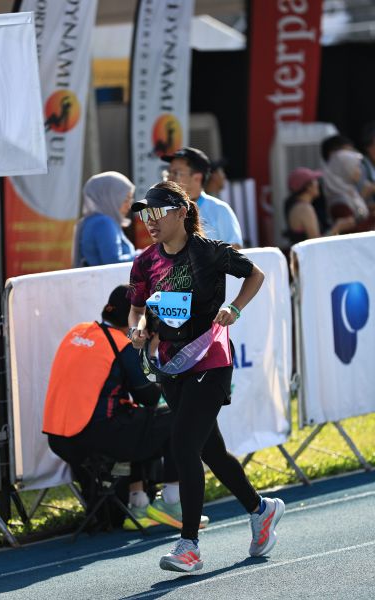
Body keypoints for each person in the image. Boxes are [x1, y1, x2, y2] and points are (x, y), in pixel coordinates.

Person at [127, 180, 285, 573]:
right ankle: (261, 509)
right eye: (145, 215)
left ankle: (189, 546)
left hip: (210, 361)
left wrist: (235, 307)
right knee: (209, 451)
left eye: (157, 212)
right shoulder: (145, 262)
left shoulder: (210, 252)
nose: (150, 221)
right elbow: (138, 309)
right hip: (172, 366)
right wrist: (138, 328)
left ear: (182, 212)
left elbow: (255, 275)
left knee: (183, 446)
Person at [43, 284, 190, 531]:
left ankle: (139, 502)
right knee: (176, 417)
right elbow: (150, 397)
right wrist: (152, 352)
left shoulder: (77, 332)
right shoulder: (122, 345)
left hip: (58, 439)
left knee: (136, 418)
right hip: (94, 434)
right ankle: (172, 501)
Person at [161, 146, 243, 248]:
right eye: (168, 172)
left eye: (176, 173)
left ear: (197, 178)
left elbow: (235, 249)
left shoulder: (219, 209)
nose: (169, 178)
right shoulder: (164, 211)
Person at [72, 171, 137, 267]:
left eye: (131, 200)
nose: (129, 206)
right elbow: (114, 263)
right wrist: (144, 256)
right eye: (126, 199)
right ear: (109, 198)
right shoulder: (103, 223)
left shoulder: (92, 221)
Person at [284, 167, 355, 244]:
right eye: (315, 181)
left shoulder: (297, 206)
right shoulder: (305, 208)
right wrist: (338, 227)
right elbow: (316, 243)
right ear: (308, 187)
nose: (318, 183)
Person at [322, 149, 375, 232]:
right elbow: (351, 231)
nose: (360, 171)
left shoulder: (350, 191)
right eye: (356, 167)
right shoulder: (339, 201)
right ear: (345, 170)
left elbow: (360, 215)